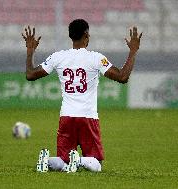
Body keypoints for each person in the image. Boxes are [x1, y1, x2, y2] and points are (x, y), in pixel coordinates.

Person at [21, 19, 142, 173]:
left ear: (70, 36)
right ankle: (78, 159)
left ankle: (47, 161)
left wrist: (30, 51)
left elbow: (30, 74)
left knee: (63, 160)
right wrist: (133, 51)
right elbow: (122, 77)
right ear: (86, 35)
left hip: (66, 117)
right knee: (96, 164)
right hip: (88, 117)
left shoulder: (58, 57)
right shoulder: (96, 58)